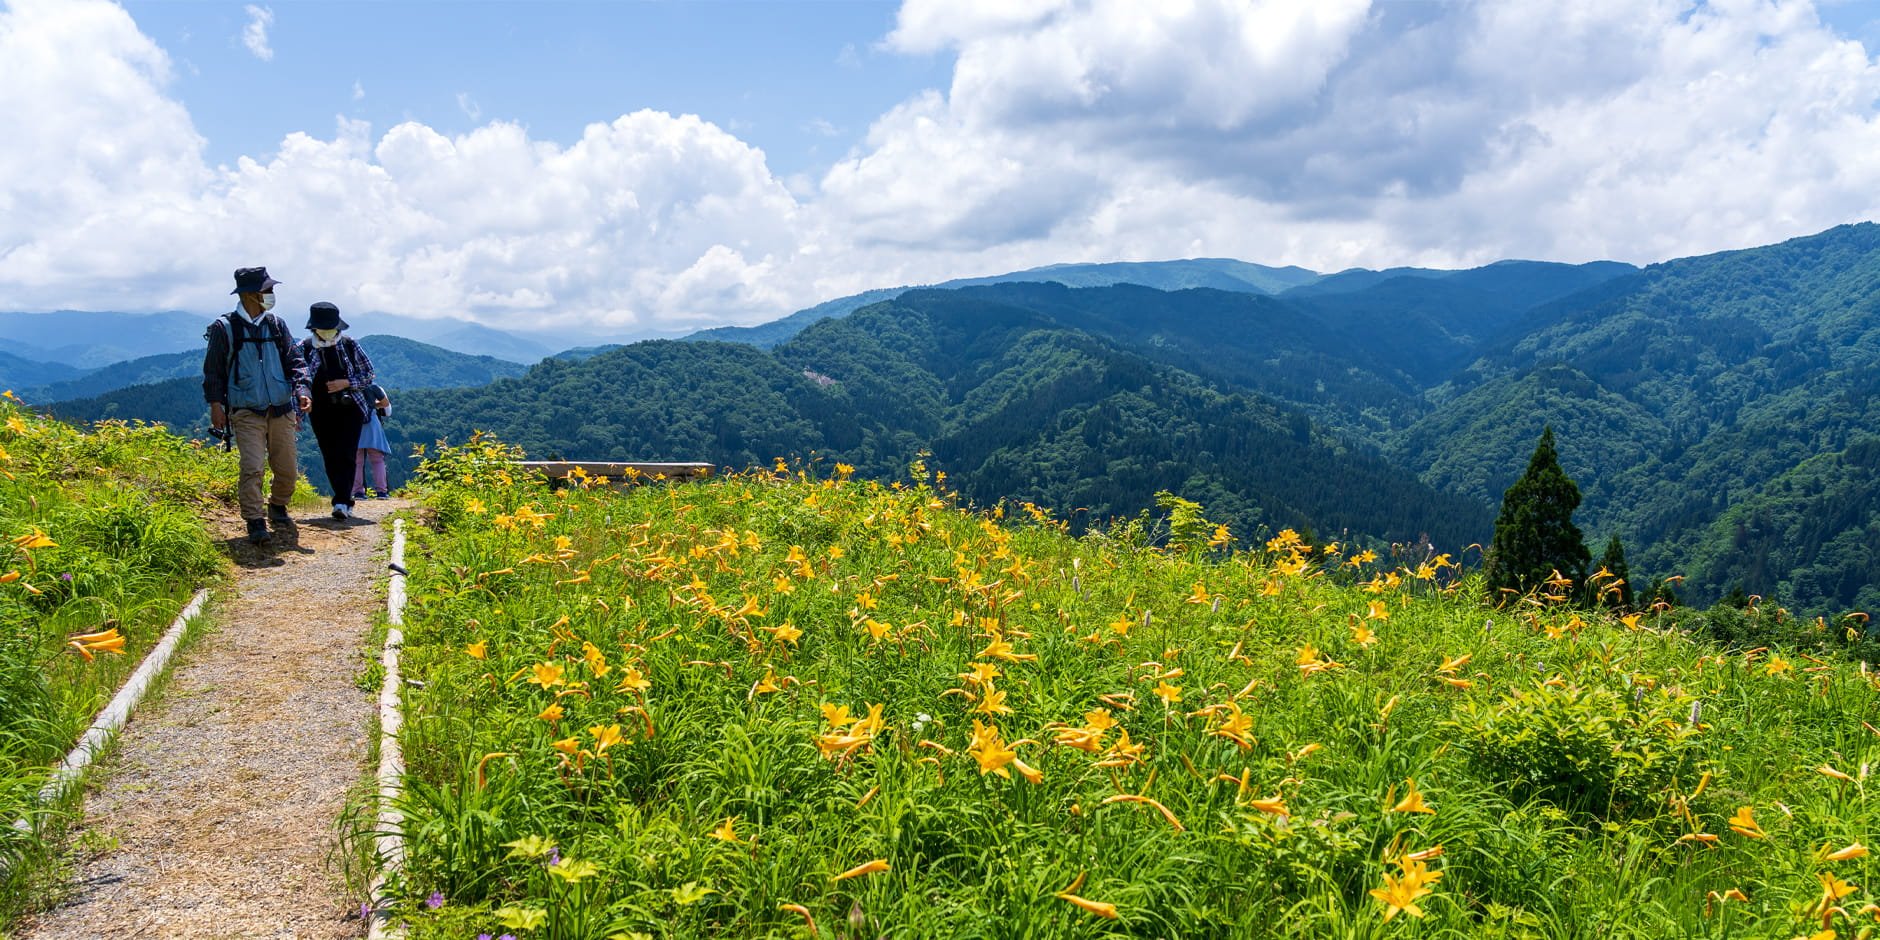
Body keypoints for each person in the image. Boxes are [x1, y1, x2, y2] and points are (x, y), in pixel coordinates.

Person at [203, 266, 312, 545]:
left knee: (287, 468)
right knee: (252, 466)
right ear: (250, 295)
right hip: (245, 410)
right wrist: (216, 406)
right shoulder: (224, 328)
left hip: (281, 408)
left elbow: (295, 361)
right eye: (267, 290)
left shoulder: (276, 325)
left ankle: (278, 505)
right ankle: (254, 520)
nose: (272, 294)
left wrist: (301, 389)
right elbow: (213, 371)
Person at [298, 302, 376, 520]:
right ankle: (342, 497)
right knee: (330, 454)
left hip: (351, 408)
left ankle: (343, 501)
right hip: (320, 410)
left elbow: (369, 374)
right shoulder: (304, 347)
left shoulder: (350, 345)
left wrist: (345, 383)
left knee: (347, 453)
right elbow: (296, 378)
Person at [353, 384, 392, 500]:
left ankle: (358, 492)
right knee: (377, 459)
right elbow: (385, 404)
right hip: (372, 423)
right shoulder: (373, 387)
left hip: (355, 423)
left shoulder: (348, 386)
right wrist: (372, 405)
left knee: (357, 461)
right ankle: (381, 492)